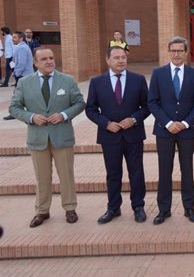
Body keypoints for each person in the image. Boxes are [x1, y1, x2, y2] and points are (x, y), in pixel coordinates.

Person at [9, 48, 86, 227]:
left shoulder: (67, 80)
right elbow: (14, 107)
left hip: (62, 136)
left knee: (66, 175)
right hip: (37, 138)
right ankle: (42, 211)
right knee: (42, 177)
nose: (49, 61)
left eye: (51, 58)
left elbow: (79, 103)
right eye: (44, 59)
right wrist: (31, 117)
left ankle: (70, 208)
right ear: (35, 63)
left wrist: (64, 115)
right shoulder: (24, 83)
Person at [85, 46, 150, 224]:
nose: (121, 60)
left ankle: (138, 206)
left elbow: (147, 106)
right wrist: (106, 123)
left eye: (123, 57)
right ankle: (113, 208)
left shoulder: (138, 80)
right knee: (113, 173)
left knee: (136, 172)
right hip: (110, 136)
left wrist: (134, 119)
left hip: (133, 135)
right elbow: (90, 109)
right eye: (116, 58)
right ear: (108, 60)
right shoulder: (97, 82)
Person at [148, 36, 194, 225]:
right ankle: (164, 209)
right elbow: (152, 102)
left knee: (187, 170)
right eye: (174, 50)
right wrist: (168, 123)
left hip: (187, 131)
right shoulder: (158, 73)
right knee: (165, 170)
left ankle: (189, 207)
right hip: (164, 131)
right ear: (169, 51)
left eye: (180, 50)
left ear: (186, 52)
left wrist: (186, 123)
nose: (177, 53)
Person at [3, 31, 35, 120]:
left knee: (17, 95)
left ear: (21, 38)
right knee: (22, 95)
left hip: (23, 76)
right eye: (13, 37)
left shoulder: (22, 48)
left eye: (14, 37)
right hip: (24, 75)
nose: (12, 39)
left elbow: (22, 63)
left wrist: (17, 73)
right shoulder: (21, 47)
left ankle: (15, 113)